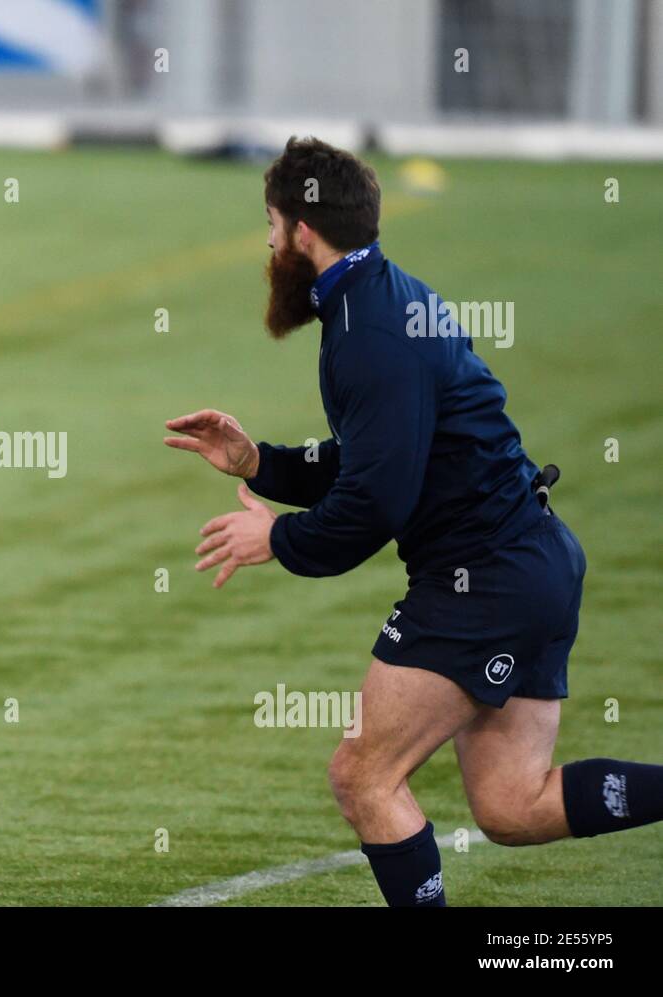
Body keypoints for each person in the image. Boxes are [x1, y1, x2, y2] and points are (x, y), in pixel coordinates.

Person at [164, 136, 662, 906]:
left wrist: (279, 539)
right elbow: (378, 460)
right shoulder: (381, 298)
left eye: (269, 223)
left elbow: (376, 504)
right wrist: (258, 462)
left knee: (363, 775)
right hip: (531, 564)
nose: (266, 243)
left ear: (302, 231)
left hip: (486, 581)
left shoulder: (371, 333)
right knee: (511, 804)